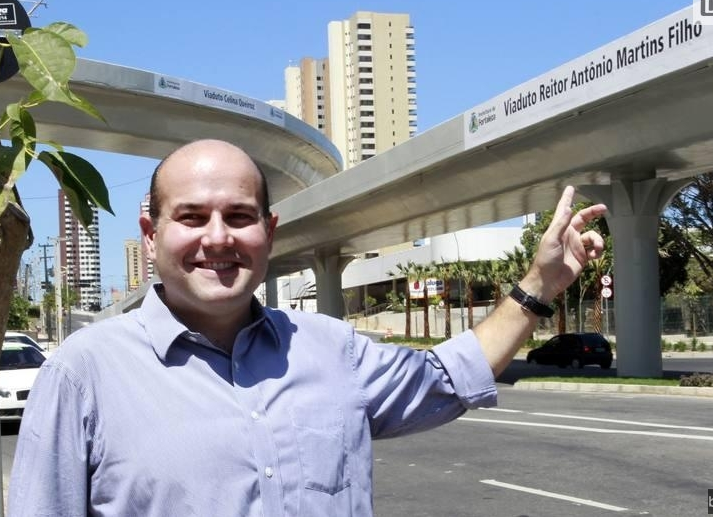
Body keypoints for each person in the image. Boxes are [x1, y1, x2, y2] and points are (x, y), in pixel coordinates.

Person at [8, 139, 607, 516]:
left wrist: (539, 286)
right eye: (192, 217)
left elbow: (449, 377)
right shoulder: (82, 374)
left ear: (268, 233)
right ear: (150, 233)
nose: (217, 238)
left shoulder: (331, 348)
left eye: (238, 217)